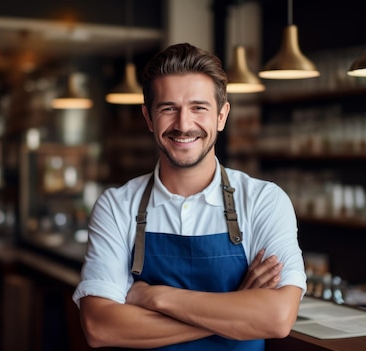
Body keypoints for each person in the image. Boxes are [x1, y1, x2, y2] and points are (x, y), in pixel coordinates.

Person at [73, 43, 306, 350]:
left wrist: (155, 297)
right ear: (148, 118)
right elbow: (100, 327)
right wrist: (236, 308)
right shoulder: (117, 205)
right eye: (168, 108)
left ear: (221, 116)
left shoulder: (264, 201)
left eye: (199, 108)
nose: (184, 125)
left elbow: (276, 318)